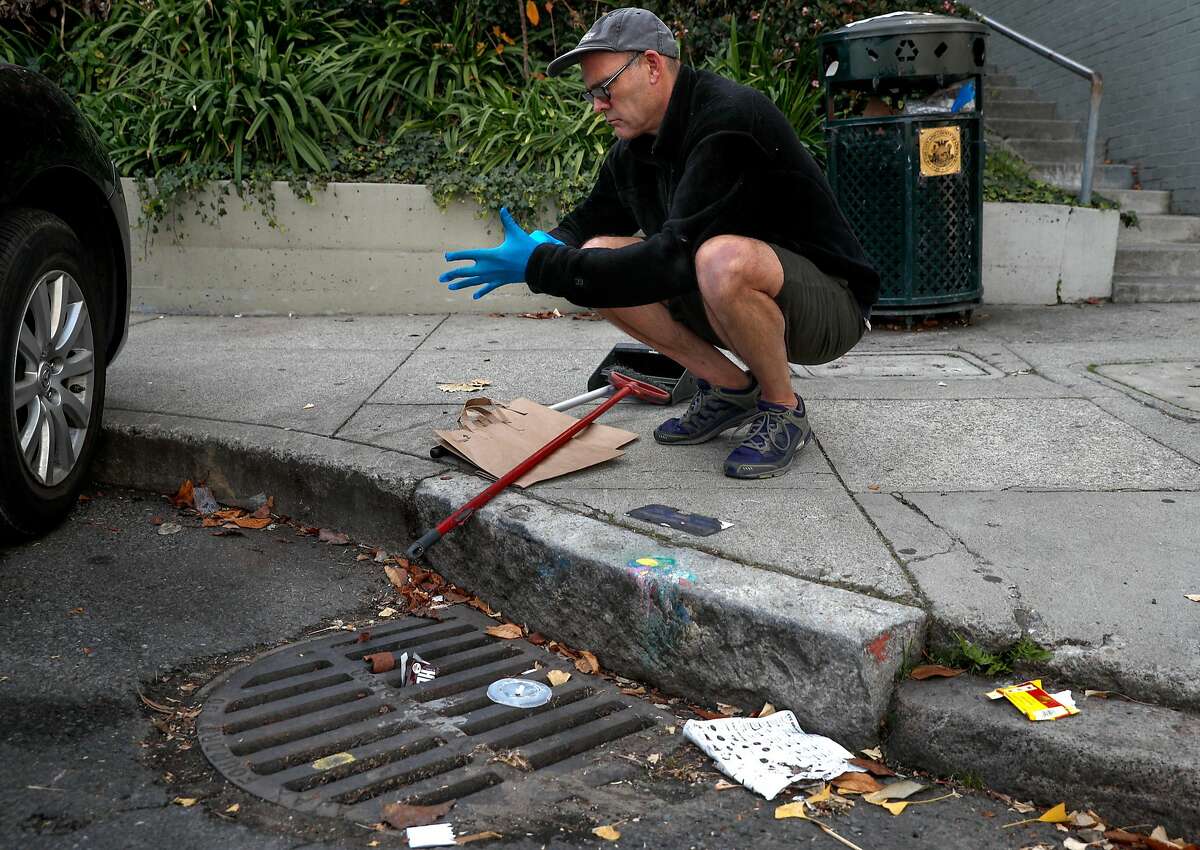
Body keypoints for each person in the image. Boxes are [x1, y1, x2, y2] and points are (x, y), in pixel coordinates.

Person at [439, 7, 879, 479]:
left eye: (604, 88)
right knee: (597, 256)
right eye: (591, 93)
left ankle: (782, 408)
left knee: (720, 258)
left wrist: (543, 267)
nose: (597, 105)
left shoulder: (727, 121)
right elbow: (593, 218)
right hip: (728, 295)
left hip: (829, 305)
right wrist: (542, 244)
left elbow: (671, 261)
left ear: (651, 65)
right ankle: (730, 389)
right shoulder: (636, 147)